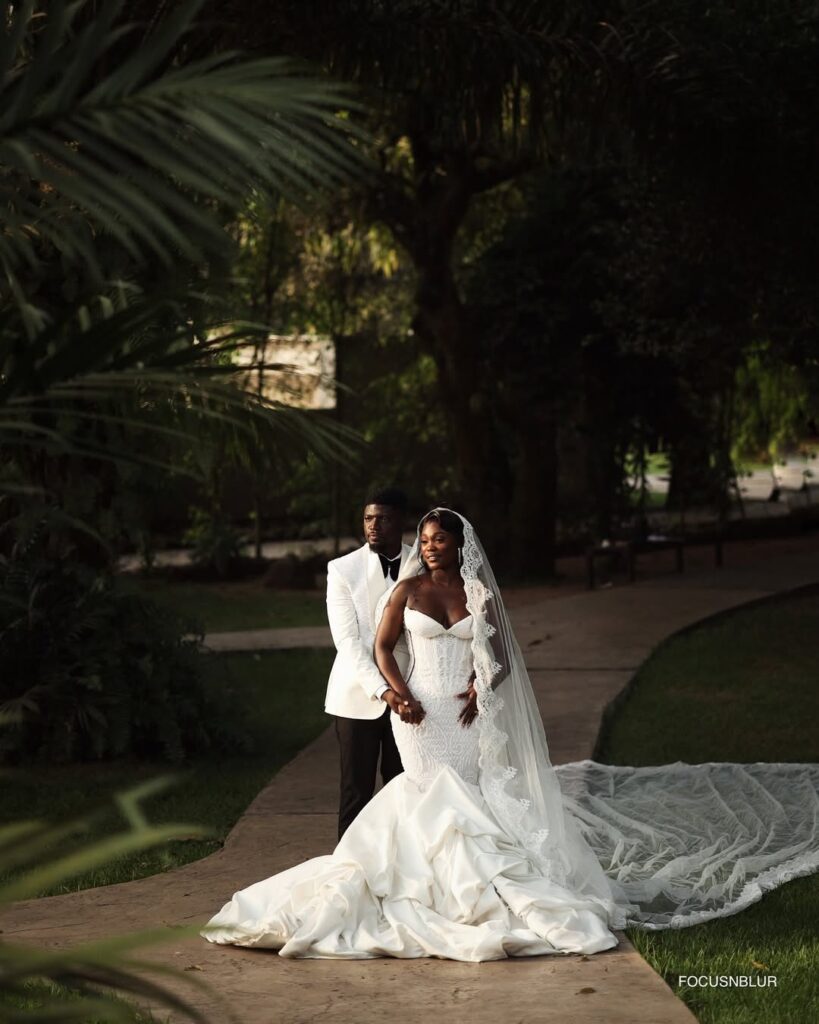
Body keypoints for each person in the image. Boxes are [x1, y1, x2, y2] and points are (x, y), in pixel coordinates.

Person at [202, 508, 819, 961]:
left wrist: (479, 686)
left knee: (471, 797)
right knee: (427, 796)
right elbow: (382, 647)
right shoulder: (407, 590)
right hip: (417, 714)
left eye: (441, 538)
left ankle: (490, 890)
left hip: (465, 715)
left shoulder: (478, 594)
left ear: (461, 544)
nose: (431, 546)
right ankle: (423, 890)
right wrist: (398, 694)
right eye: (424, 539)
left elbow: (496, 656)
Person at [324, 487, 413, 838]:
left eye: (383, 518)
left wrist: (404, 693)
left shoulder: (421, 562)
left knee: (404, 787)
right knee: (355, 792)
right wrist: (383, 691)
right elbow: (347, 642)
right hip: (356, 697)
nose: (373, 526)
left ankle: (403, 862)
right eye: (368, 518)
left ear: (401, 521)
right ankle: (348, 867)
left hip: (412, 692)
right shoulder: (342, 570)